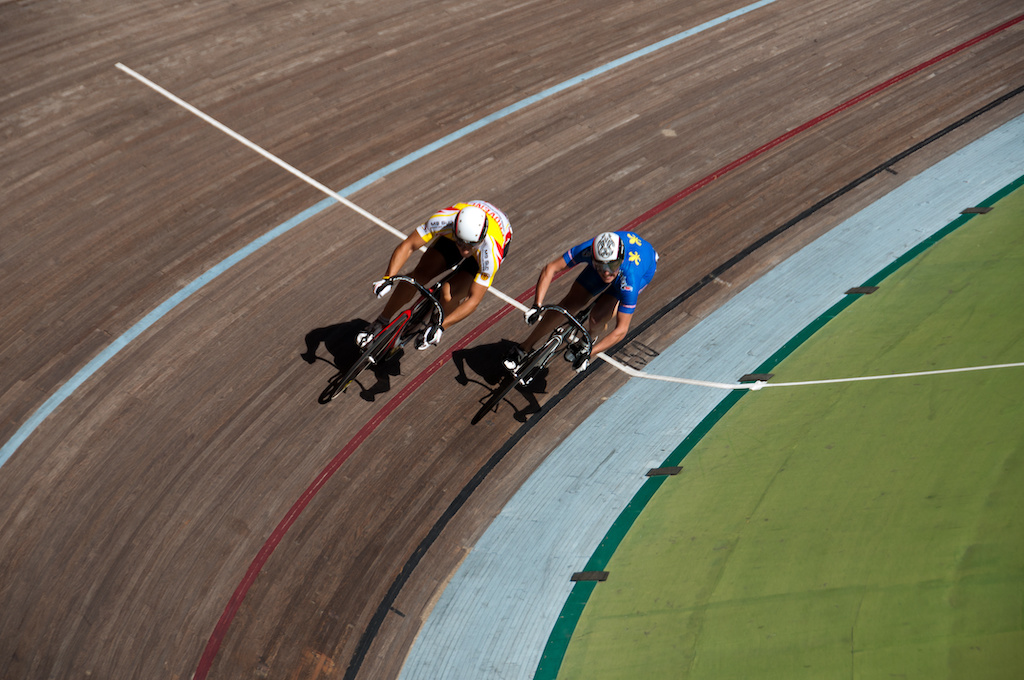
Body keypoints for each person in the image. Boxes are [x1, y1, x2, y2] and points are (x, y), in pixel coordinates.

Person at [357, 200, 512, 350]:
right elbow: (409, 245)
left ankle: (435, 324)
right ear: (454, 230)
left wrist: (441, 327)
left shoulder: (491, 252)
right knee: (417, 277)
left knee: (449, 295)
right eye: (460, 243)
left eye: (470, 245)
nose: (464, 251)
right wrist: (388, 278)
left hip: (495, 240)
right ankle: (381, 321)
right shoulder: (444, 220)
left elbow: (473, 300)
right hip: (458, 233)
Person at [503, 231, 657, 372]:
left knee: (597, 318)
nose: (607, 272)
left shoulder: (630, 277)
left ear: (620, 260)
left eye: (612, 265)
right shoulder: (587, 250)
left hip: (640, 269)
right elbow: (551, 268)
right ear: (592, 258)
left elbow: (621, 330)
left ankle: (588, 339)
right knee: (569, 304)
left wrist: (590, 353)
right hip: (615, 259)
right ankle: (524, 347)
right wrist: (537, 305)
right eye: (601, 266)